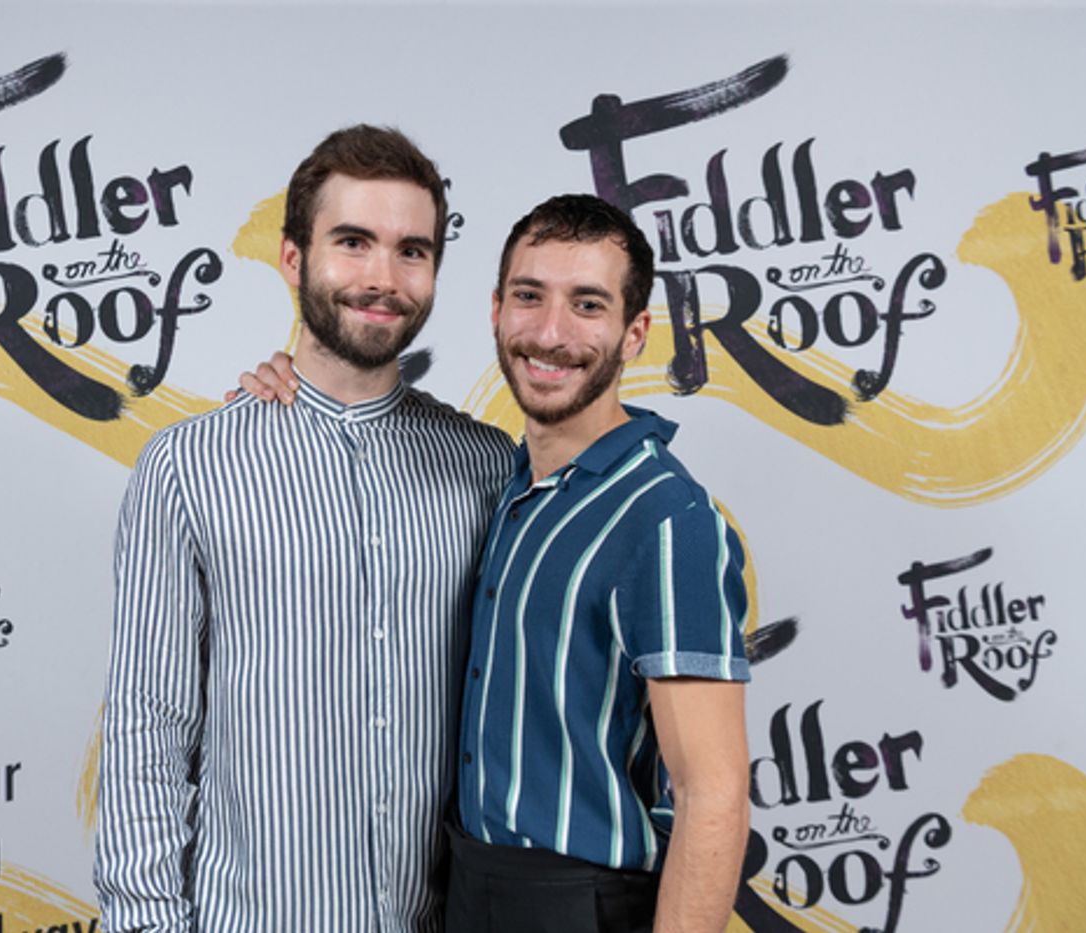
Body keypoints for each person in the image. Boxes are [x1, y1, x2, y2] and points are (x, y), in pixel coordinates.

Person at [243, 194, 751, 932]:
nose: (550, 332)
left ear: (635, 332)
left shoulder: (667, 519)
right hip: (463, 884)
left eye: (587, 304)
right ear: (494, 309)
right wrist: (282, 393)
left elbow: (714, 796)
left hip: (581, 901)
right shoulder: (501, 480)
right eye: (529, 296)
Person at [94, 124, 514, 932]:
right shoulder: (191, 466)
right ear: (292, 258)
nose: (383, 277)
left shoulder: (487, 469)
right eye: (353, 242)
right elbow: (149, 726)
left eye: (412, 250)